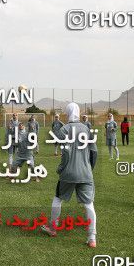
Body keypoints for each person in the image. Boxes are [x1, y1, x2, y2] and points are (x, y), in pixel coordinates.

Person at [41, 103, 98, 248]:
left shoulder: (63, 130)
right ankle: (92, 238)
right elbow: (94, 152)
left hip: (68, 173)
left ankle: (53, 228)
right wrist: (89, 167)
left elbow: (65, 152)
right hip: (86, 173)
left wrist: (61, 168)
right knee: (88, 204)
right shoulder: (86, 129)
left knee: (58, 199)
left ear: (67, 113)